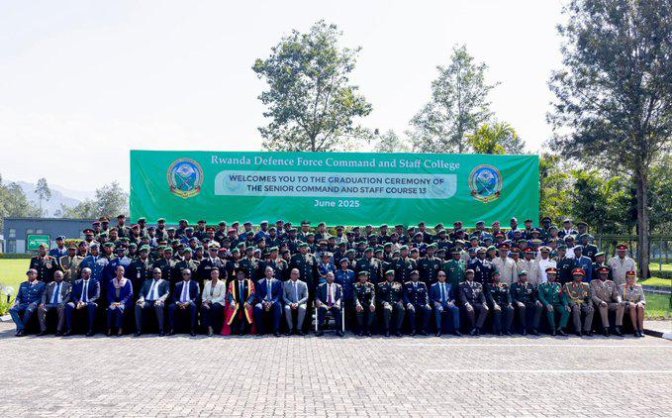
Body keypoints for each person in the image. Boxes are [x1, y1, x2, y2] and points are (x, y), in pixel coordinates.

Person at [9, 269, 46, 337]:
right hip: (24, 304)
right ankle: (22, 328)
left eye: (32, 274)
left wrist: (34, 303)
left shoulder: (41, 284)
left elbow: (41, 297)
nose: (30, 275)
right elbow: (19, 296)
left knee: (28, 310)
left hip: (34, 304)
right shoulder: (23, 284)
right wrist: (16, 303)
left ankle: (21, 330)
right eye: (29, 274)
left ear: (36, 275)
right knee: (12, 309)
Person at [65, 267, 100, 337]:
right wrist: (77, 302)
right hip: (78, 302)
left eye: (85, 273)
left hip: (89, 302)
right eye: (82, 273)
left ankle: (91, 329)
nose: (83, 274)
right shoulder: (76, 282)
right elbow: (73, 295)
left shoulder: (95, 282)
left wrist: (86, 303)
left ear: (90, 274)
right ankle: (69, 329)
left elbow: (96, 296)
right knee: (69, 305)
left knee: (92, 306)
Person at [134, 267, 170, 336]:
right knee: (138, 305)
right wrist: (141, 298)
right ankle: (139, 330)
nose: (157, 274)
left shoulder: (165, 282)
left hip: (158, 301)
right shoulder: (146, 282)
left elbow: (167, 293)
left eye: (159, 273)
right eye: (155, 273)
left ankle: (161, 330)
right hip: (147, 301)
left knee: (158, 306)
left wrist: (160, 300)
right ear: (152, 274)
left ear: (161, 274)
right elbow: (141, 292)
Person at [590, 266, 625, 337]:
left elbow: (616, 295)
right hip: (598, 303)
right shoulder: (593, 282)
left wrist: (619, 301)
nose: (604, 275)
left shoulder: (611, 283)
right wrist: (601, 302)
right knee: (603, 306)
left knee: (620, 305)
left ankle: (617, 327)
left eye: (606, 274)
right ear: (598, 274)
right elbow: (593, 296)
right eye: (602, 274)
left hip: (609, 303)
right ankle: (606, 328)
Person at [537, 267, 570, 336]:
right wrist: (547, 304)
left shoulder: (558, 285)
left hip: (557, 304)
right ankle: (553, 329)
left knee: (566, 310)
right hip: (548, 304)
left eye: (553, 275)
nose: (551, 276)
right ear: (547, 275)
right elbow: (541, 297)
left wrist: (566, 304)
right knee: (550, 310)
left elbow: (562, 296)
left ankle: (560, 328)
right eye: (549, 274)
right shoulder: (542, 285)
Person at [223, 269, 256, 335]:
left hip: (246, 303)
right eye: (238, 274)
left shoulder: (250, 282)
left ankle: (243, 330)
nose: (240, 275)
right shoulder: (232, 283)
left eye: (242, 274)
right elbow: (230, 294)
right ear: (236, 275)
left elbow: (253, 294)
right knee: (232, 309)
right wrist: (232, 302)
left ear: (244, 275)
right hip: (236, 303)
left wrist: (249, 302)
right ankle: (235, 329)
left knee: (247, 310)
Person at [37, 270, 71, 336]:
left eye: (59, 276)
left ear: (63, 276)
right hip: (50, 304)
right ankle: (43, 330)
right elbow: (44, 294)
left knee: (62, 309)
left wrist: (63, 303)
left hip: (60, 303)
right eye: (56, 276)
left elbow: (69, 296)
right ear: (54, 277)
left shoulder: (67, 285)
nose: (57, 278)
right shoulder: (49, 284)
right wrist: (42, 303)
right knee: (40, 309)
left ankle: (59, 330)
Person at [168, 268, 200, 336]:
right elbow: (174, 296)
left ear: (190, 275)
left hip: (189, 303)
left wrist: (188, 303)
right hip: (179, 303)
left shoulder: (195, 284)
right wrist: (178, 303)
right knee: (171, 307)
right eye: (184, 274)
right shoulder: (177, 284)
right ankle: (172, 329)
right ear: (182, 275)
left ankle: (192, 329)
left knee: (193, 307)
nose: (186, 275)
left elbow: (196, 297)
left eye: (188, 274)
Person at [510, 271, 543, 336]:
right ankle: (523, 328)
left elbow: (533, 297)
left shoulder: (530, 285)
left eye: (525, 276)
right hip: (519, 304)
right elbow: (512, 297)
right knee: (522, 307)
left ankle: (534, 328)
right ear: (519, 277)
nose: (524, 277)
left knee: (539, 307)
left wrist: (537, 301)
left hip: (528, 303)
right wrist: (518, 302)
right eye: (522, 276)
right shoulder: (514, 285)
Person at [253, 266, 283, 337]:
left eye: (270, 271)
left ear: (273, 273)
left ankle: (276, 330)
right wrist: (264, 302)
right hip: (263, 302)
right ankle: (261, 330)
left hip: (273, 302)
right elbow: (258, 295)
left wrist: (272, 302)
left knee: (278, 306)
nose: (269, 272)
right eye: (267, 271)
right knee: (257, 307)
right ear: (265, 273)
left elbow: (279, 295)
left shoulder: (278, 282)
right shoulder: (259, 282)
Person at [564, 268, 594, 337]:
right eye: (576, 275)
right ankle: (578, 330)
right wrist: (573, 304)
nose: (578, 277)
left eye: (580, 275)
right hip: (573, 303)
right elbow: (566, 297)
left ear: (582, 276)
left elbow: (589, 297)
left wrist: (590, 304)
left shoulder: (586, 285)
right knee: (576, 309)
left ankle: (587, 329)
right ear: (573, 276)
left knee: (591, 309)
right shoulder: (568, 285)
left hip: (583, 303)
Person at [430, 270, 461, 337]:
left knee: (456, 309)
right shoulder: (433, 286)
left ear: (445, 277)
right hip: (439, 304)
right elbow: (431, 298)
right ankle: (439, 330)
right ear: (437, 277)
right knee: (437, 310)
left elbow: (453, 297)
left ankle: (456, 329)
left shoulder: (449, 285)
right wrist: (436, 303)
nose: (442, 277)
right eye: (440, 276)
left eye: (443, 276)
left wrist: (452, 302)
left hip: (448, 303)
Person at [459, 269, 489, 336]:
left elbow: (482, 295)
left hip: (476, 303)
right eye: (469, 274)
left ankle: (477, 328)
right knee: (470, 310)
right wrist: (467, 304)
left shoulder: (478, 285)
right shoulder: (462, 285)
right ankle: (473, 327)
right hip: (467, 303)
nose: (471, 276)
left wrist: (484, 303)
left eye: (472, 274)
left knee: (485, 308)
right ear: (466, 276)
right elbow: (462, 296)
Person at [106, 265, 133, 336]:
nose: (121, 272)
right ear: (115, 271)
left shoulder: (128, 281)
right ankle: (109, 329)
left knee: (119, 308)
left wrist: (122, 302)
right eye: (119, 270)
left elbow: (130, 294)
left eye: (122, 270)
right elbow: (109, 294)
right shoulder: (112, 282)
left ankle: (120, 328)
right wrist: (112, 302)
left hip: (124, 302)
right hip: (114, 301)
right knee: (110, 309)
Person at [485, 271, 514, 336]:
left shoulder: (504, 285)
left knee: (511, 309)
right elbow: (489, 296)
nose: (497, 277)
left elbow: (508, 295)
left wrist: (510, 303)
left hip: (503, 303)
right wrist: (494, 304)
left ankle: (507, 329)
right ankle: (499, 330)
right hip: (494, 304)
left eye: (498, 276)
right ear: (493, 277)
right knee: (498, 310)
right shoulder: (489, 285)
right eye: (495, 276)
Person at [377, 270, 405, 337]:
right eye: (389, 276)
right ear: (386, 276)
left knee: (402, 309)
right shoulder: (380, 285)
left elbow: (401, 295)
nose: (390, 277)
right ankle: (387, 329)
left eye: (392, 276)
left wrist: (400, 301)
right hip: (386, 303)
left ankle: (398, 329)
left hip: (396, 303)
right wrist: (384, 302)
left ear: (394, 277)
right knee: (387, 309)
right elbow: (378, 297)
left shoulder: (398, 285)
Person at [403, 270, 432, 336]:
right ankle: (413, 330)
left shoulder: (423, 284)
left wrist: (427, 303)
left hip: (421, 304)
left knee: (428, 310)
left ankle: (424, 329)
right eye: (413, 275)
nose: (415, 277)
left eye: (416, 275)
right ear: (411, 277)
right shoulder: (407, 284)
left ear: (418, 276)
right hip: (411, 304)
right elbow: (405, 296)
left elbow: (426, 295)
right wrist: (408, 304)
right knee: (411, 310)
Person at [315, 271, 344, 336]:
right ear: (326, 277)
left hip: (334, 304)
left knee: (337, 309)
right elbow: (317, 297)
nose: (329, 278)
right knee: (321, 309)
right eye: (328, 276)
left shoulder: (338, 286)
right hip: (324, 304)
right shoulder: (320, 286)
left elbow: (341, 297)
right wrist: (320, 303)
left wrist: (337, 304)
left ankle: (338, 330)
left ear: (334, 277)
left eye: (331, 276)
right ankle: (320, 330)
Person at [201, 268, 227, 336]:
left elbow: (222, 297)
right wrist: (205, 302)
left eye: (216, 273)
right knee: (204, 308)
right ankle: (209, 328)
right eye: (213, 273)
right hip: (207, 302)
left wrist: (211, 301)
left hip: (219, 302)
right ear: (211, 275)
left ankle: (214, 327)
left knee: (214, 307)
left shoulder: (222, 284)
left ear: (218, 274)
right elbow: (203, 295)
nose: (214, 275)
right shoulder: (207, 283)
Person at [283, 268, 309, 335]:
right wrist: (290, 304)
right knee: (286, 308)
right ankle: (290, 329)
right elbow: (284, 297)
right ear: (290, 275)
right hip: (289, 303)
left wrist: (298, 303)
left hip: (300, 303)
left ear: (299, 275)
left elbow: (306, 297)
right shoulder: (285, 283)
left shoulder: (303, 284)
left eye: (296, 274)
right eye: (292, 273)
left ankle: (299, 329)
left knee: (302, 308)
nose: (294, 275)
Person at [620, 271, 646, 337]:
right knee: (632, 307)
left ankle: (641, 329)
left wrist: (640, 303)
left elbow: (643, 299)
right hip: (626, 306)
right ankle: (635, 330)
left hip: (636, 305)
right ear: (626, 278)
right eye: (629, 278)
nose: (631, 279)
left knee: (641, 307)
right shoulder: (622, 287)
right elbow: (619, 300)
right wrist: (628, 303)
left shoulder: (639, 287)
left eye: (633, 278)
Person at [353, 271, 376, 336]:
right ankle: (361, 329)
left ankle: (368, 329)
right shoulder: (356, 285)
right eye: (362, 277)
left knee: (372, 310)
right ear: (359, 277)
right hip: (359, 303)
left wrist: (372, 303)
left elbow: (373, 295)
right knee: (359, 310)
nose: (363, 278)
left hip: (368, 304)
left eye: (365, 277)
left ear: (367, 277)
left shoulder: (371, 285)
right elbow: (355, 296)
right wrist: (358, 304)